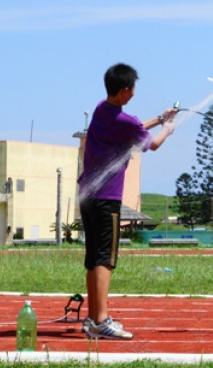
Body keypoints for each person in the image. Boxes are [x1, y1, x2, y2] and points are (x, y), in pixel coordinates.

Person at [78, 64, 176, 340]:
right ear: (124, 90)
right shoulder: (125, 121)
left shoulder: (102, 109)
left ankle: (93, 319)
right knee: (105, 260)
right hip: (107, 197)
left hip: (88, 196)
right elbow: (152, 144)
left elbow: (133, 128)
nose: (133, 93)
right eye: (132, 89)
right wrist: (168, 128)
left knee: (93, 259)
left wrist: (159, 118)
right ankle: (101, 321)